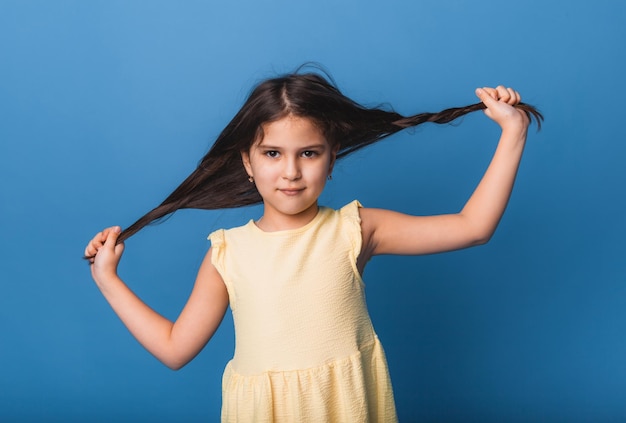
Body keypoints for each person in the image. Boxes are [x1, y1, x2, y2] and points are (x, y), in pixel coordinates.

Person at [84, 69, 542, 422]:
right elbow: (174, 349)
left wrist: (512, 133)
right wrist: (107, 280)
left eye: (308, 153)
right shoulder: (227, 252)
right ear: (247, 161)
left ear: (332, 156)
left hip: (345, 408)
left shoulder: (355, 229)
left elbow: (472, 226)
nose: (290, 172)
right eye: (272, 154)